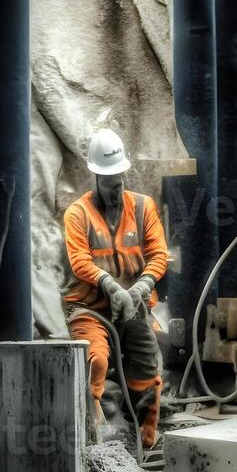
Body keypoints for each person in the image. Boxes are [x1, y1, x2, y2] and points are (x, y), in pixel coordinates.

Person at [63, 128, 170, 449]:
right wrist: (111, 286)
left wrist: (139, 289)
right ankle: (93, 435)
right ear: (95, 176)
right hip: (89, 309)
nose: (116, 187)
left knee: (147, 364)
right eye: (110, 182)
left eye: (120, 180)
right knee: (95, 359)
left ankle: (146, 437)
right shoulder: (77, 214)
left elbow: (159, 254)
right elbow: (79, 261)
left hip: (135, 307)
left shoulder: (143, 207)